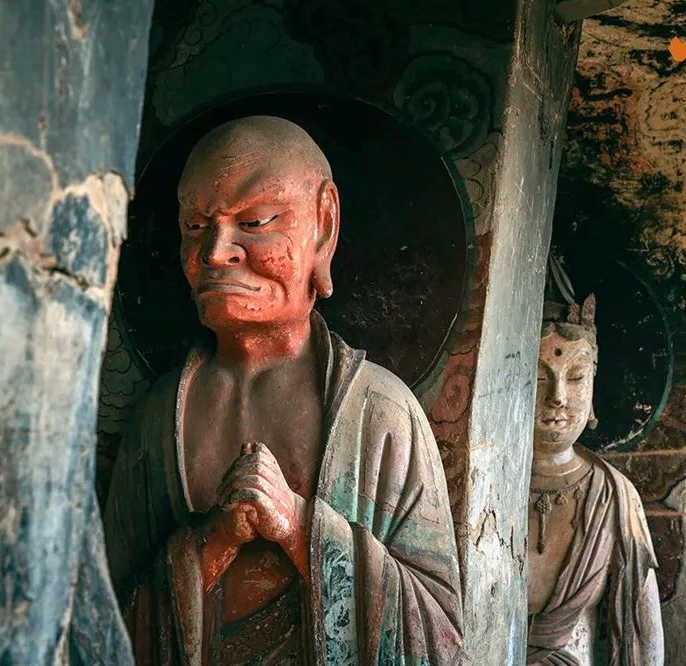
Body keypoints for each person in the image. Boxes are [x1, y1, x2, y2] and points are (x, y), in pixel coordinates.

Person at [104, 116, 463, 664]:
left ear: (324, 226)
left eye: (255, 222)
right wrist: (212, 543)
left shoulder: (381, 414)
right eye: (194, 226)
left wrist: (298, 527)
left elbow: (440, 638)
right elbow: (103, 620)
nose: (216, 252)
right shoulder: (157, 419)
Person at [526, 293, 663, 665]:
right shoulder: (479, 483)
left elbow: (643, 639)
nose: (557, 396)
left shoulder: (613, 496)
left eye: (575, 376)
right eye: (540, 376)